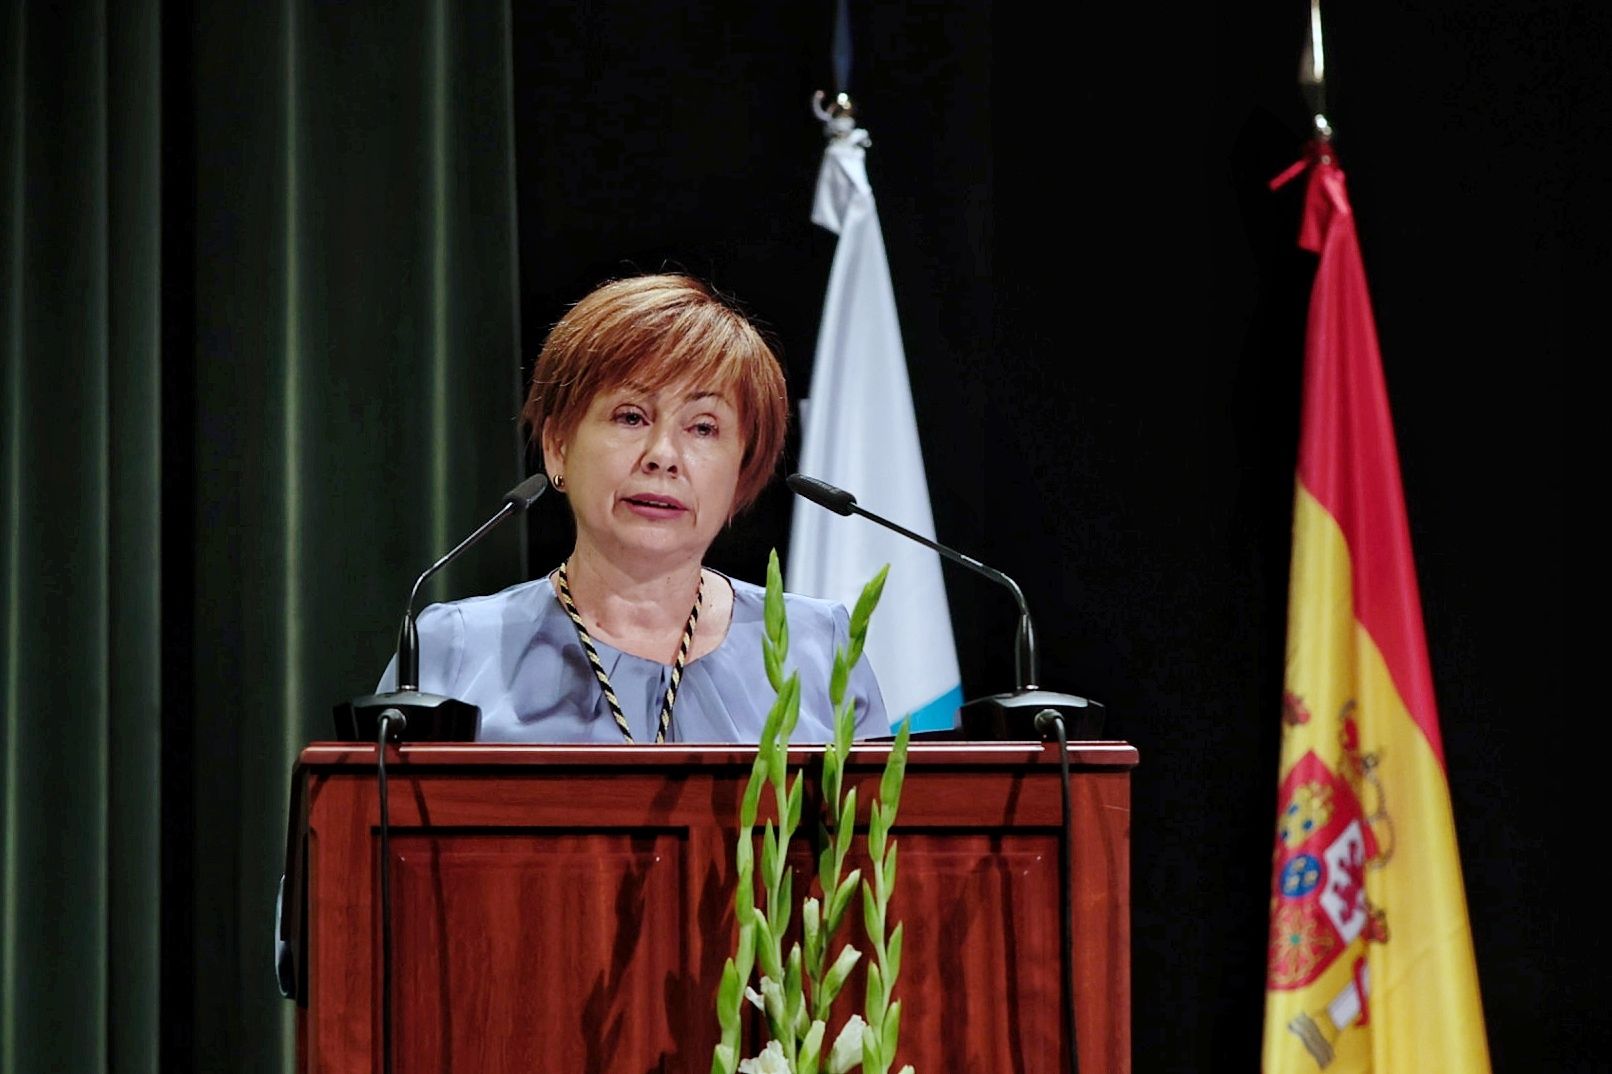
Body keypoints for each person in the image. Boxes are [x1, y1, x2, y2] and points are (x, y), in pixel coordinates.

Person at [376, 272, 888, 743]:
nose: (663, 456)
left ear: (741, 472)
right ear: (557, 446)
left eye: (703, 427)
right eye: (631, 416)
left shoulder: (820, 651)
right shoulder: (453, 651)